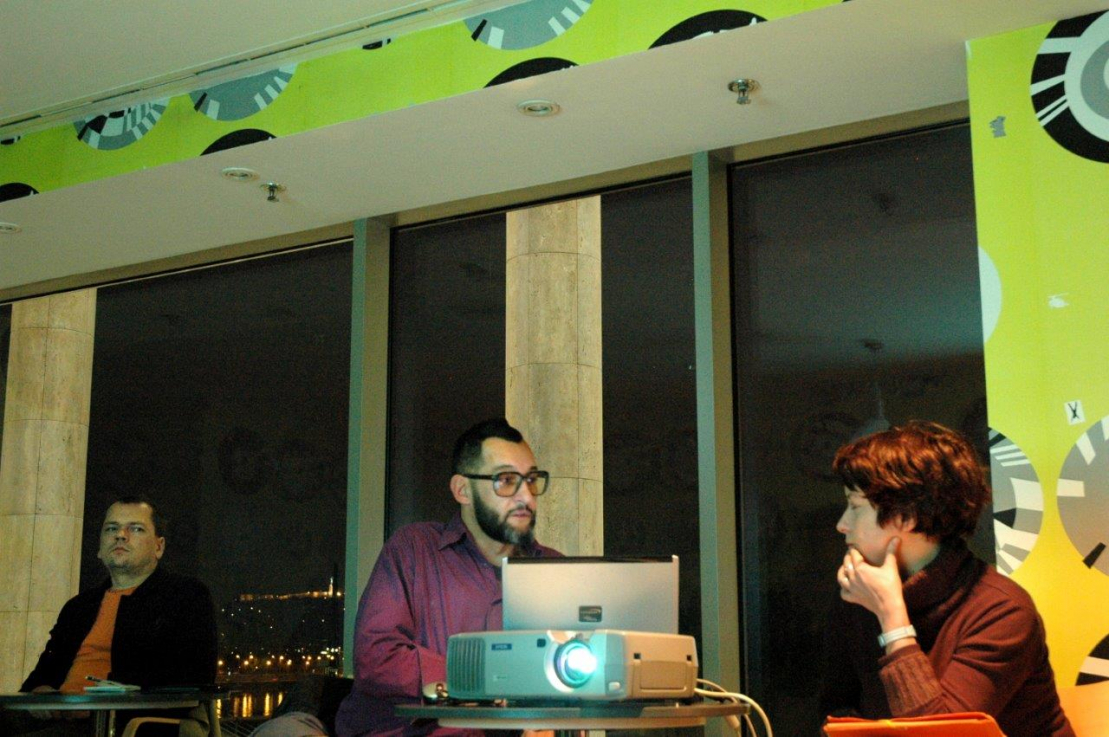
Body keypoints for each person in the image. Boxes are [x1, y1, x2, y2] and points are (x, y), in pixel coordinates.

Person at [819, 421, 1073, 737]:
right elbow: (837, 713)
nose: (842, 524)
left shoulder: (1003, 610)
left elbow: (943, 733)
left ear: (907, 517)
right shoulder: (857, 592)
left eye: (855, 506)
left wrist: (892, 617)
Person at [330, 418, 563, 737]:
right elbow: (377, 656)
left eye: (532, 480)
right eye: (507, 480)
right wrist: (485, 680)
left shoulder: (554, 571)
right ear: (462, 490)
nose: (527, 497)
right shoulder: (415, 550)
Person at [11, 496, 218, 737]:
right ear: (100, 548)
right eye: (111, 528)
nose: (120, 535)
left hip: (134, 725)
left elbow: (194, 678)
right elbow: (40, 677)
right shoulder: (78, 608)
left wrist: (98, 701)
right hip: (59, 720)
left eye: (136, 529)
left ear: (159, 547)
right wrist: (42, 690)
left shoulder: (186, 597)